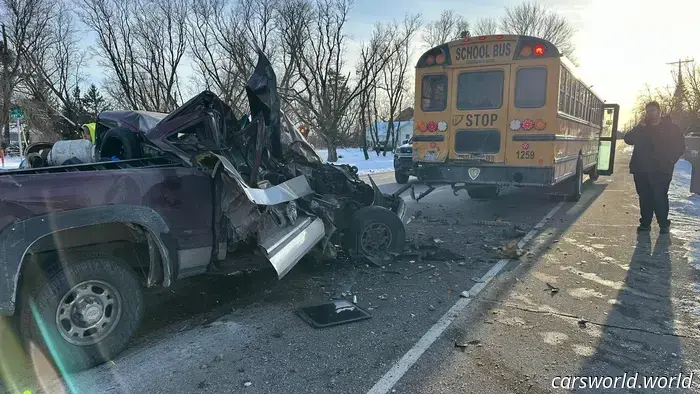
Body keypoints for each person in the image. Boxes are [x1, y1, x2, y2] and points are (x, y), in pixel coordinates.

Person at [623, 101, 685, 233]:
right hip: (641, 169)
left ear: (659, 111)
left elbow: (680, 146)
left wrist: (671, 160)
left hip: (661, 169)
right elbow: (628, 139)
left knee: (659, 196)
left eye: (652, 110)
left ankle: (663, 224)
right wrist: (639, 127)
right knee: (644, 196)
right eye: (648, 111)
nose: (650, 113)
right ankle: (645, 223)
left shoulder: (671, 128)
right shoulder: (643, 128)